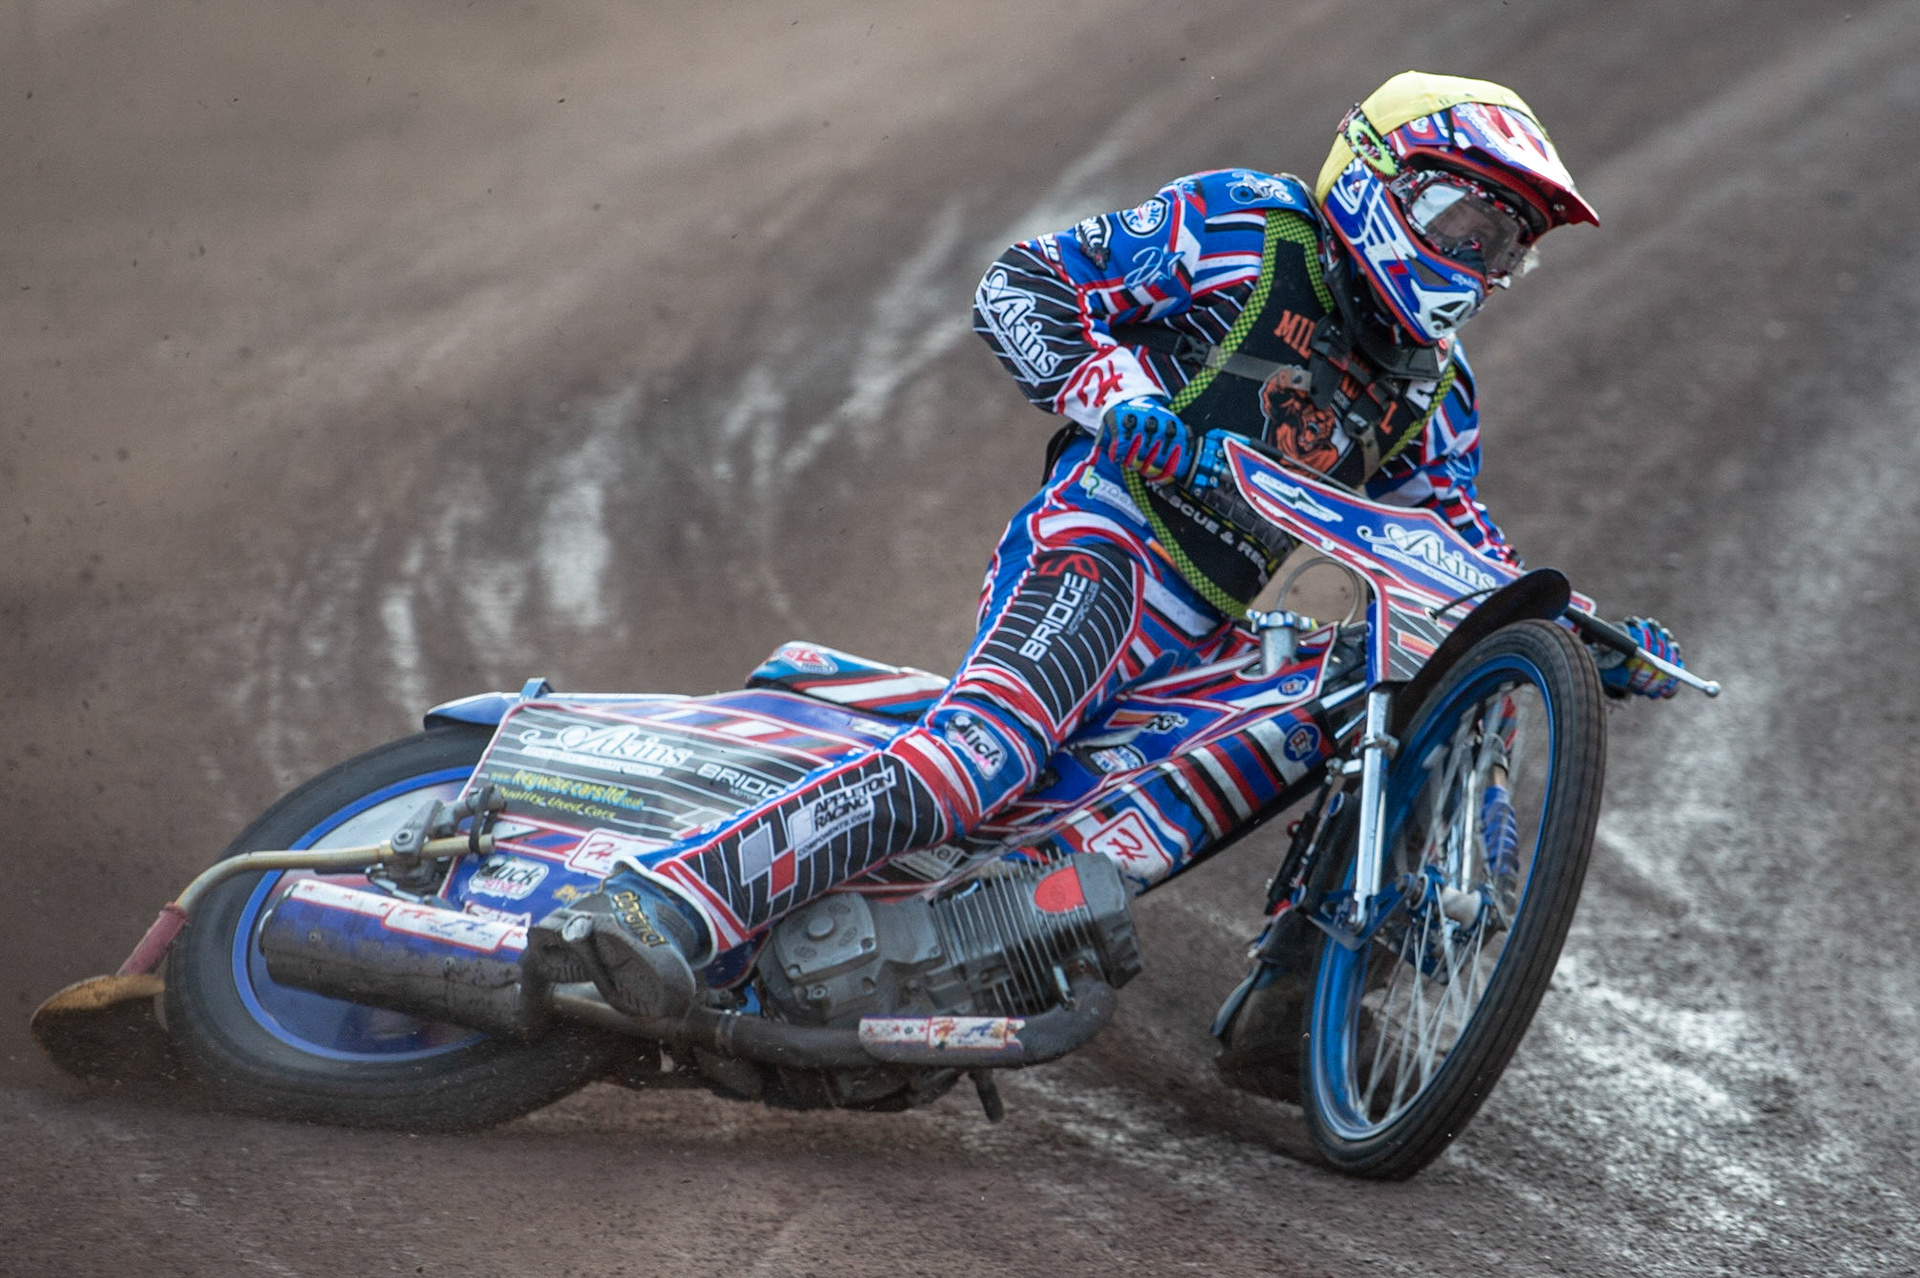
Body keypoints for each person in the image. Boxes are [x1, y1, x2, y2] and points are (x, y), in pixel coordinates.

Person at [526, 71, 1685, 1022]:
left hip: (1216, 632)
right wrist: (1117, 394)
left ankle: (1301, 1000)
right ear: (1380, 178)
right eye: (1463, 222)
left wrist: (1575, 632)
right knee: (979, 761)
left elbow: (1457, 548)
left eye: (1503, 244)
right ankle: (660, 903)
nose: (1478, 260)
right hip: (1107, 547)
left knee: (1390, 678)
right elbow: (1025, 282)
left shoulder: (1438, 387)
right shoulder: (1250, 226)